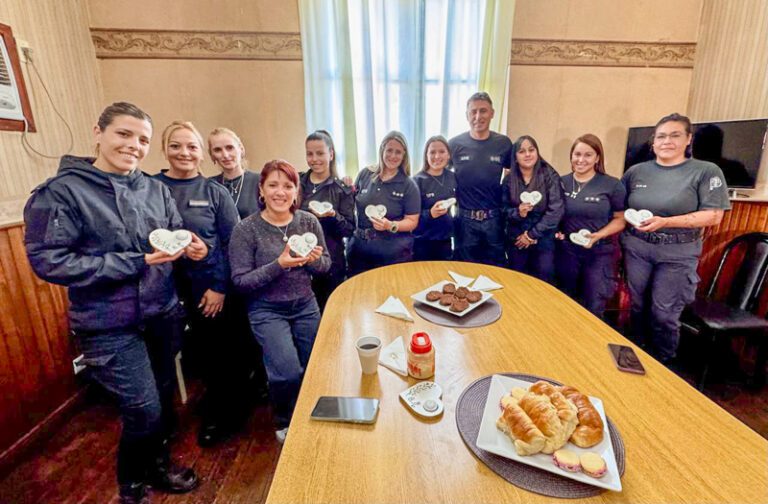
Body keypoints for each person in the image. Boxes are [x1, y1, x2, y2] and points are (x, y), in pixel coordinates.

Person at [23, 102, 203, 504]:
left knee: (161, 400)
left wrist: (189, 243)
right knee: (142, 409)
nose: (134, 146)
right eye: (124, 134)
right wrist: (134, 262)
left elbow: (172, 231)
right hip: (107, 322)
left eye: (142, 139)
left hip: (161, 312)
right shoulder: (62, 192)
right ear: (98, 133)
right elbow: (49, 260)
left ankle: (157, 466)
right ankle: (131, 488)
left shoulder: (155, 189)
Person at [154, 121, 247, 447]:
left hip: (207, 290)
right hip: (160, 291)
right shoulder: (149, 188)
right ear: (164, 149)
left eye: (191, 146)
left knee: (215, 357)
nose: (184, 152)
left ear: (200, 154)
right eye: (176, 145)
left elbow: (232, 243)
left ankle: (219, 416)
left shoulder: (213, 192)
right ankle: (161, 425)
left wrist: (220, 286)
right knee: (161, 362)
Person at [229, 159, 330, 443]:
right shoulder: (246, 230)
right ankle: (286, 420)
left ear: (297, 191)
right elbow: (240, 281)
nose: (280, 192)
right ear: (261, 190)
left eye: (288, 186)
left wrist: (311, 261)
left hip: (305, 305)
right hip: (267, 310)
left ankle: (313, 415)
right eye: (273, 185)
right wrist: (280, 264)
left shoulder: (308, 221)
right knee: (286, 372)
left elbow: (325, 266)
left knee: (314, 365)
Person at [622, 112, 730, 364]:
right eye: (661, 136)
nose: (666, 141)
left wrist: (666, 222)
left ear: (688, 139)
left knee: (663, 313)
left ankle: (663, 364)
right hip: (637, 248)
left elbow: (713, 216)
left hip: (677, 253)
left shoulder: (705, 171)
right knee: (637, 307)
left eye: (674, 135)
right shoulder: (636, 172)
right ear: (653, 141)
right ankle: (634, 358)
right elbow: (620, 208)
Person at [556, 134, 626, 318]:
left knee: (593, 305)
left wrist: (598, 235)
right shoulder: (560, 182)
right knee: (564, 301)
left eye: (588, 155)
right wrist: (555, 232)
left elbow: (621, 219)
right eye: (577, 154)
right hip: (567, 252)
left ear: (597, 157)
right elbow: (553, 212)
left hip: (599, 253)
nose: (581, 160)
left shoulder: (612, 184)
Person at [449, 92, 513, 266]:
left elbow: (512, 177)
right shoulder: (454, 144)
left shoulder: (504, 143)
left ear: (492, 113)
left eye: (483, 111)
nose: (478, 117)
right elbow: (440, 175)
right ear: (467, 115)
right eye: (473, 112)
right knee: (464, 272)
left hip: (494, 220)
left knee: (496, 271)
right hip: (464, 221)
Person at [347, 131, 420, 275]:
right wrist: (345, 185)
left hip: (392, 252)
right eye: (389, 150)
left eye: (398, 152)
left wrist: (390, 225)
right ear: (382, 150)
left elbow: (412, 221)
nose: (393, 156)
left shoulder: (408, 185)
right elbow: (350, 201)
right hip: (359, 250)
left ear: (404, 155)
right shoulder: (365, 174)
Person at [299, 130, 355, 310]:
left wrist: (333, 216)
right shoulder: (297, 183)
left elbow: (349, 229)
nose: (314, 159)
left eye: (320, 153)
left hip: (331, 261)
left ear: (331, 154)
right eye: (310, 153)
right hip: (299, 262)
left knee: (331, 313)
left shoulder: (342, 189)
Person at [502, 135, 564, 283]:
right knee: (516, 281)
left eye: (531, 150)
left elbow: (556, 210)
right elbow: (502, 210)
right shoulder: (509, 180)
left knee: (542, 282)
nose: (528, 154)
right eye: (522, 151)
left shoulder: (550, 175)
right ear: (515, 157)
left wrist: (531, 235)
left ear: (537, 152)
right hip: (516, 240)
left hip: (543, 238)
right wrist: (518, 212)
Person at [413, 136, 457, 261]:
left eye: (442, 151)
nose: (437, 156)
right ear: (426, 155)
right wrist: (430, 213)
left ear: (448, 155)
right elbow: (411, 218)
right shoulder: (417, 181)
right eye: (432, 152)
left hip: (445, 241)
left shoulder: (452, 177)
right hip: (423, 242)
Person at [208, 127, 261, 219]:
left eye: (230, 148)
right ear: (212, 156)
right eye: (217, 150)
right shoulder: (208, 186)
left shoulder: (261, 181)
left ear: (241, 149)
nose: (225, 155)